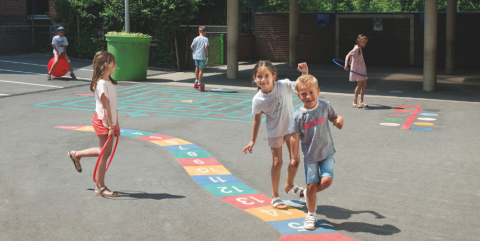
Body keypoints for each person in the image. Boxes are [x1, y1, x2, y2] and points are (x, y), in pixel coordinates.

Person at [243, 60, 308, 210]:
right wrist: (252, 140)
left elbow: (301, 85)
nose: (263, 79)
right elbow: (257, 120)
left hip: (291, 129)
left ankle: (289, 185)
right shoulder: (258, 100)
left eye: (266, 75)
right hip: (275, 132)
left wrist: (304, 73)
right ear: (255, 79)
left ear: (273, 76)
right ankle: (275, 195)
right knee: (277, 162)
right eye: (259, 76)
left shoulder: (283, 85)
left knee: (296, 160)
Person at [288, 73, 344, 230]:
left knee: (326, 181)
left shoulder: (325, 106)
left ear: (318, 91)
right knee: (313, 187)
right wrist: (294, 157)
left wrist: (339, 121)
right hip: (310, 157)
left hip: (327, 152)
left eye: (311, 92)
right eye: (304, 94)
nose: (308, 96)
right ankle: (311, 214)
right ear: (299, 96)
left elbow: (336, 117)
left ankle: (308, 193)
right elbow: (294, 137)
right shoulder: (298, 115)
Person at [67, 51, 120, 197]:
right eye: (113, 63)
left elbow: (114, 107)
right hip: (103, 121)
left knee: (105, 152)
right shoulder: (102, 84)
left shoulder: (109, 82)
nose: (116, 65)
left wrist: (117, 125)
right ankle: (100, 187)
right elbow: (106, 108)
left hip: (108, 121)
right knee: (104, 154)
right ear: (106, 65)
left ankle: (76, 154)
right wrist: (110, 126)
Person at [344, 34, 368, 108]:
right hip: (358, 69)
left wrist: (351, 60)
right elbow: (348, 55)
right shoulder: (356, 48)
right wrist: (346, 65)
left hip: (361, 68)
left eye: (366, 42)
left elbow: (352, 56)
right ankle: (354, 102)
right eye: (363, 42)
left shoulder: (359, 48)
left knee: (364, 85)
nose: (365, 44)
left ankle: (361, 101)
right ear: (359, 41)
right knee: (359, 85)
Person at [190, 26, 209, 92]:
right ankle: (200, 82)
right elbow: (206, 47)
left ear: (199, 32)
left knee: (196, 67)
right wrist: (207, 54)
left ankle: (196, 80)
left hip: (195, 55)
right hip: (202, 55)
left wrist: (194, 50)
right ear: (204, 32)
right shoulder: (205, 39)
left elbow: (192, 46)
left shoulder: (195, 38)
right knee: (201, 69)